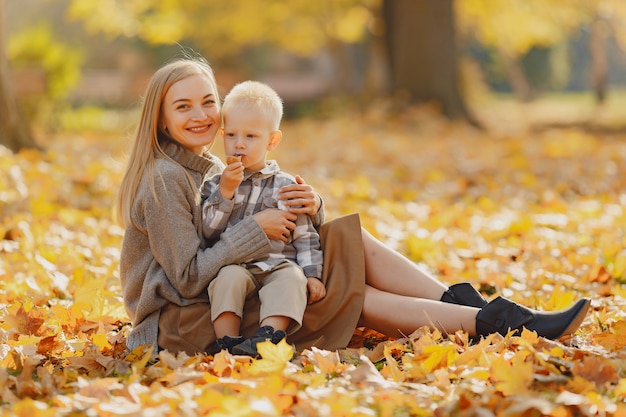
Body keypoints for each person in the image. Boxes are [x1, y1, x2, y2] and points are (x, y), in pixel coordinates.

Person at [117, 56, 591, 357]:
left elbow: (248, 225)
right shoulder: (163, 179)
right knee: (354, 297)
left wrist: (311, 207)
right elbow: (187, 277)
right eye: (182, 107)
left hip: (227, 291)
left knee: (345, 236)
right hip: (181, 323)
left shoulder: (207, 165)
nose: (200, 115)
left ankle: (482, 310)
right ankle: (506, 324)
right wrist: (258, 228)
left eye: (207, 102)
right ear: (159, 118)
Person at [200, 81, 325, 357]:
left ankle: (267, 336)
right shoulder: (215, 184)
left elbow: (304, 235)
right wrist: (226, 193)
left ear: (272, 140)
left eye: (251, 137)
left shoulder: (286, 185)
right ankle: (228, 343)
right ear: (222, 135)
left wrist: (312, 274)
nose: (239, 144)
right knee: (226, 279)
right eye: (231, 135)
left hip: (278, 263)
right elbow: (208, 231)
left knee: (292, 279)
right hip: (236, 262)